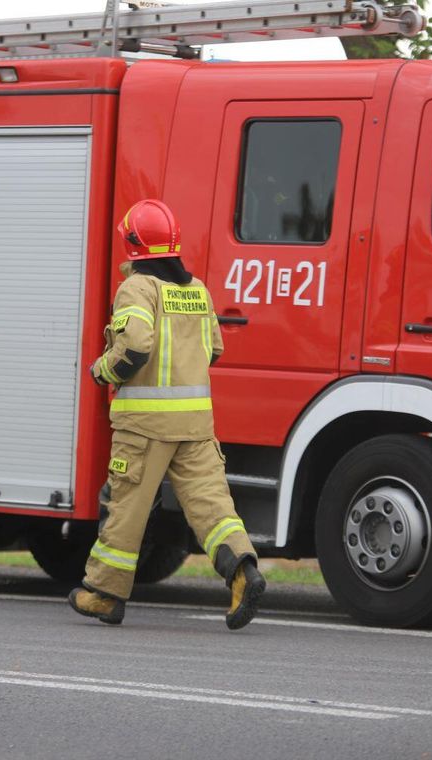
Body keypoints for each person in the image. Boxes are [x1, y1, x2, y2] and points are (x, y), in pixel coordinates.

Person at [67, 199, 266, 630]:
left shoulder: (137, 288)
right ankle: (242, 573)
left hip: (144, 427)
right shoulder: (196, 289)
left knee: (126, 507)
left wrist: (103, 371)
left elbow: (135, 345)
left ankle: (103, 594)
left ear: (134, 243)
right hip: (195, 425)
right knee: (212, 506)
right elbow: (214, 348)